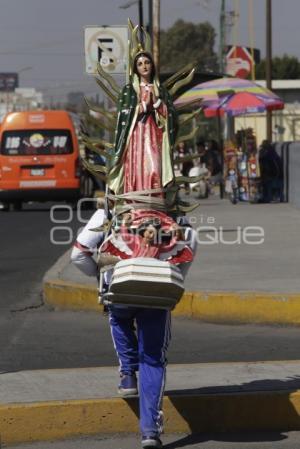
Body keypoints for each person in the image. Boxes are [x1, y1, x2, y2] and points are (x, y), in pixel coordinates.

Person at [71, 207, 196, 449]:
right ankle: (150, 433)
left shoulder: (107, 213)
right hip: (158, 295)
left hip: (121, 288)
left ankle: (127, 375)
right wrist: (170, 281)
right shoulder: (178, 217)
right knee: (153, 358)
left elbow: (78, 255)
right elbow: (189, 254)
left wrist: (100, 276)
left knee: (118, 318)